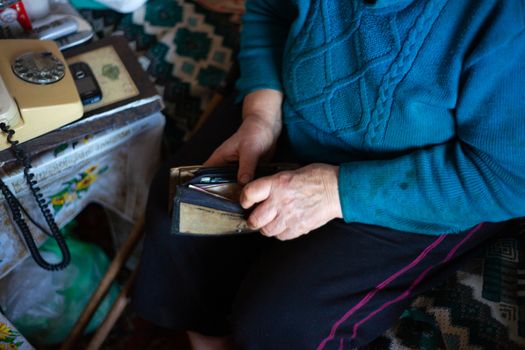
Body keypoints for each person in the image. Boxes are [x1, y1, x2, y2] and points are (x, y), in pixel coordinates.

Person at [132, 0, 525, 348]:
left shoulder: (505, 19)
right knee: (179, 208)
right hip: (293, 115)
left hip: (424, 180)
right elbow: (270, 10)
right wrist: (260, 115)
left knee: (282, 320)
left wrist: (335, 191)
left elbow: (504, 176)